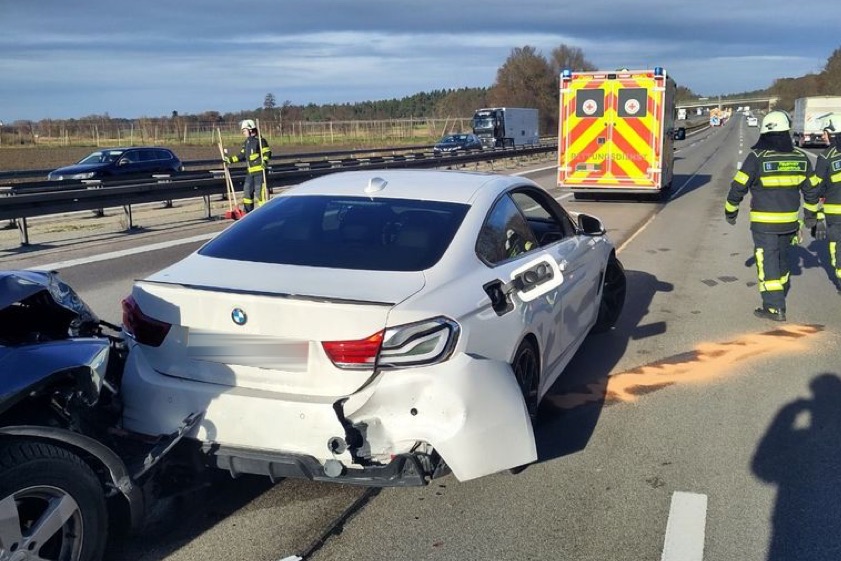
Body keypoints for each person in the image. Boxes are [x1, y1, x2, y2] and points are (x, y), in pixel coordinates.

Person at [724, 110, 821, 321]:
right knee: (782, 258)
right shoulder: (800, 158)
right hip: (790, 223)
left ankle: (774, 307)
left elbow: (738, 187)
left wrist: (731, 211)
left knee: (767, 261)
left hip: (764, 225)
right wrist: (811, 217)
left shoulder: (757, 158)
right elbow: (812, 190)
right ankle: (780, 291)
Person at [814, 120, 841, 292]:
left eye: (825, 133)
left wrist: (816, 214)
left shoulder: (826, 157)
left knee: (837, 246)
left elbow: (817, 186)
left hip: (835, 213)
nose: (823, 136)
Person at [225, 119, 271, 213]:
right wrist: (230, 160)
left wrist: (265, 161)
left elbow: (267, 152)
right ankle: (247, 212)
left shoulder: (261, 141)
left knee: (260, 194)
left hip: (260, 172)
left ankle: (264, 212)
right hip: (250, 173)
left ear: (250, 130)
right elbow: (242, 155)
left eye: (244, 131)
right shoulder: (246, 142)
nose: (243, 133)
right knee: (247, 192)